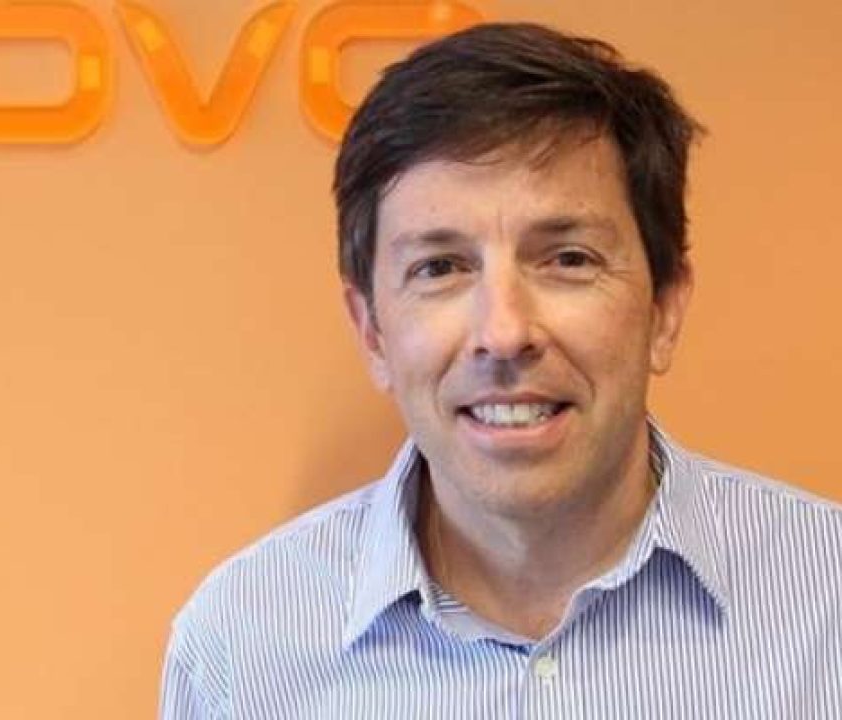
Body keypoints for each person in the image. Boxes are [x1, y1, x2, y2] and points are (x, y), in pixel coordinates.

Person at [159, 22, 842, 719]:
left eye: (568, 259)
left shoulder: (828, 605)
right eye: (440, 268)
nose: (505, 333)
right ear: (372, 331)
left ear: (664, 307)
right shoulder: (241, 650)